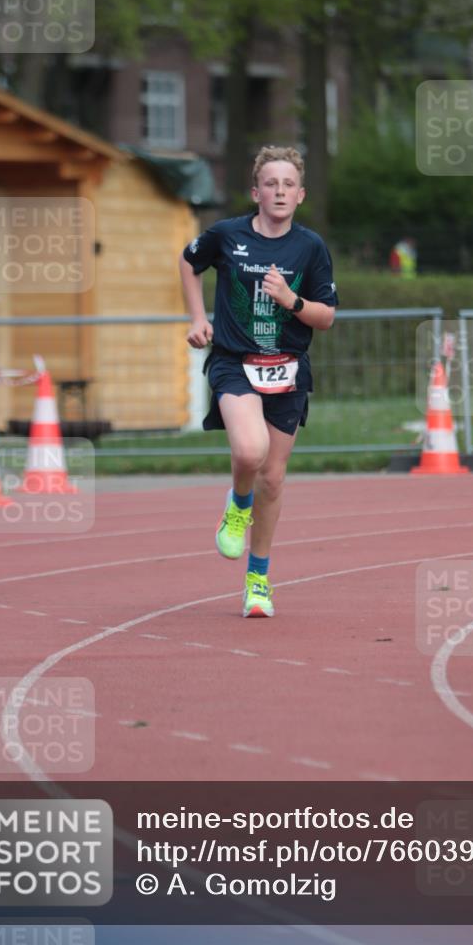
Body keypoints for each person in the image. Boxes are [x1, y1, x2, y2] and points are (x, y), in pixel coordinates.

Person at [179, 145, 338, 618]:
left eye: (289, 184)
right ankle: (237, 505)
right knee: (250, 452)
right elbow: (189, 262)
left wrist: (292, 300)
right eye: (271, 183)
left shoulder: (310, 247)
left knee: (273, 478)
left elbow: (326, 317)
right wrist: (197, 318)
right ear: (256, 192)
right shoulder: (228, 235)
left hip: (288, 368)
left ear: (301, 194)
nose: (280, 191)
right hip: (234, 362)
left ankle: (258, 580)